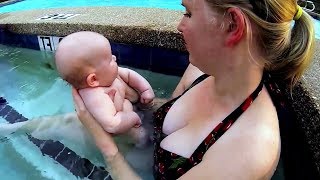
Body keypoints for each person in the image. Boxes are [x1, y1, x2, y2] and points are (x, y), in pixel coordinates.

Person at [72, 0, 315, 179]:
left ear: (233, 25)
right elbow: (171, 106)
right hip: (138, 144)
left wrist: (106, 146)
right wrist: (137, 98)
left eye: (188, 13)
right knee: (43, 126)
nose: (179, 25)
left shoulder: (246, 152)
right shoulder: (203, 71)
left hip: (126, 161)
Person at [55, 31, 155, 146]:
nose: (114, 57)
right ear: (93, 80)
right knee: (142, 137)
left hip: (134, 109)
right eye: (109, 59)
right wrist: (134, 118)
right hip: (127, 128)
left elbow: (129, 75)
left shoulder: (107, 75)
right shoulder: (95, 96)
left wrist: (145, 90)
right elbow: (112, 125)